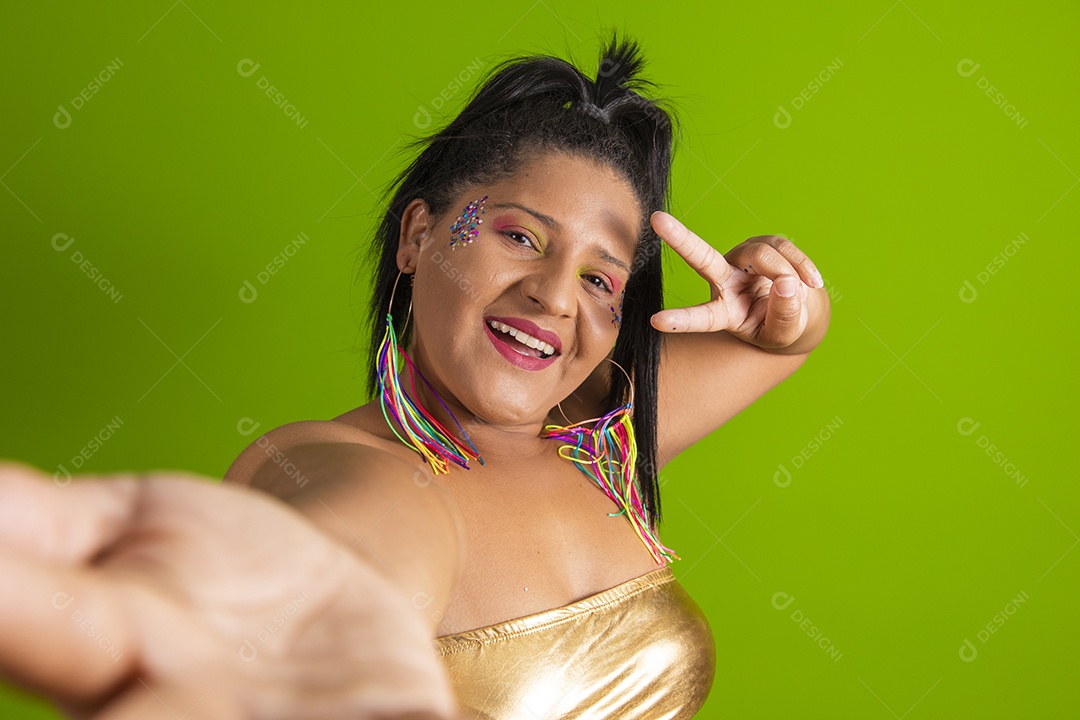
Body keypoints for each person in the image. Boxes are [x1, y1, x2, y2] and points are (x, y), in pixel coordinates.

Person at [0, 34, 829, 719]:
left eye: (599, 279)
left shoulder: (597, 443)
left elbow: (774, 346)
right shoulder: (345, 464)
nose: (553, 295)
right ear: (418, 237)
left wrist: (790, 312)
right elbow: (360, 541)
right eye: (520, 237)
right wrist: (301, 629)